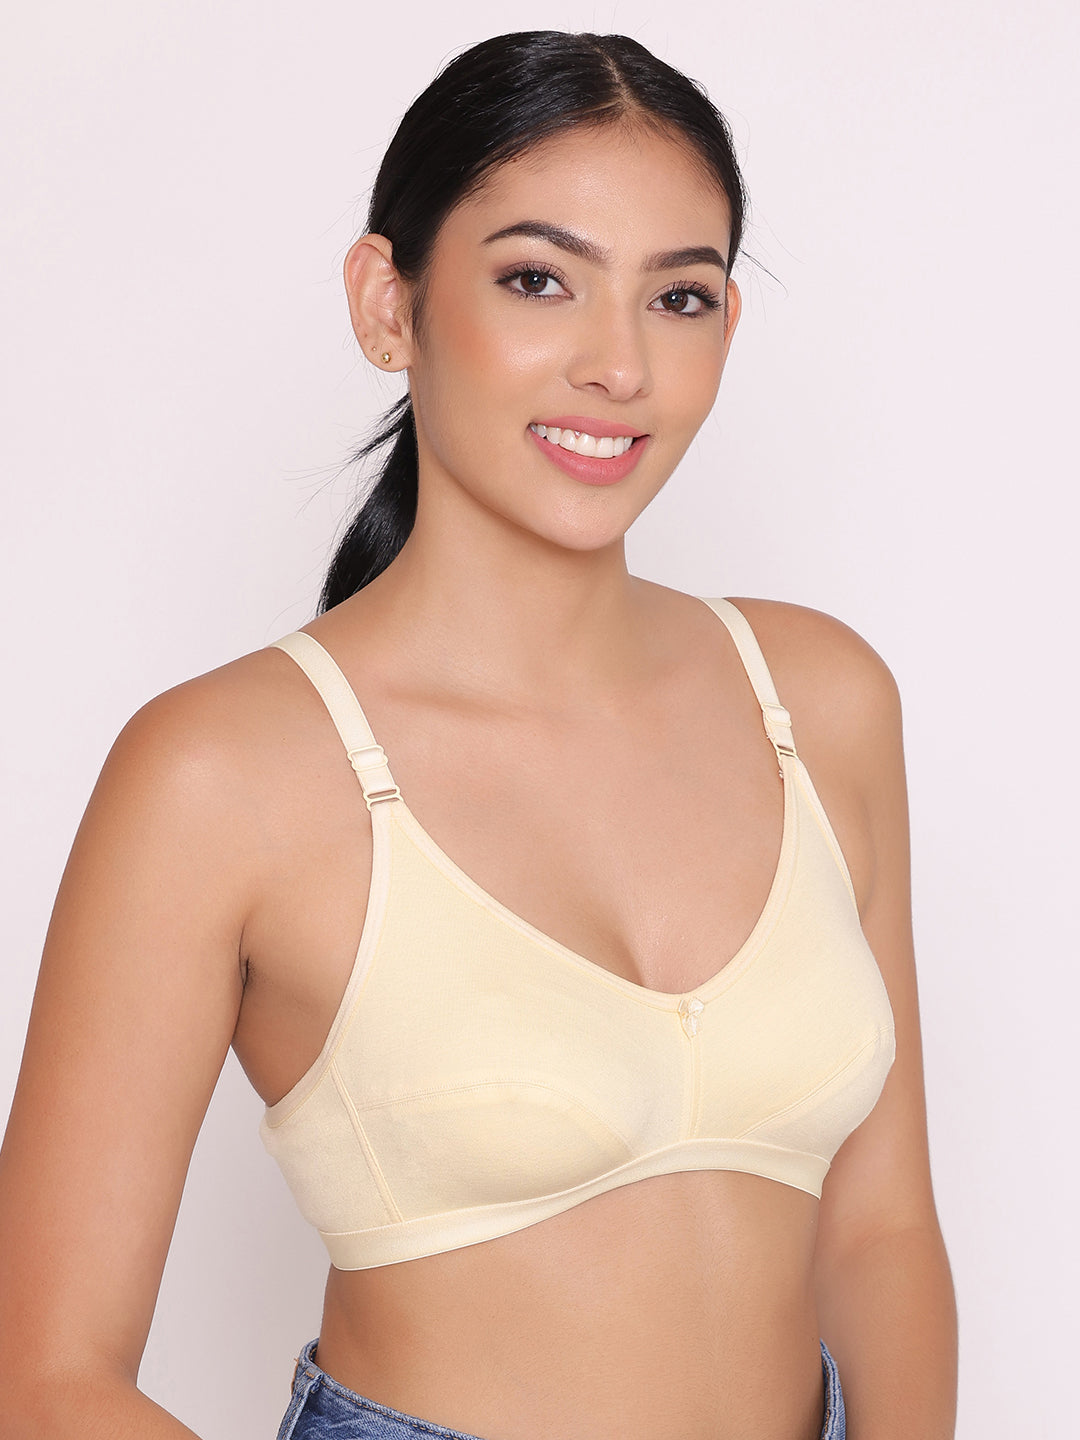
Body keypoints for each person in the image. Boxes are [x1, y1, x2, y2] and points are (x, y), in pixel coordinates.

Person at [0, 29, 957, 1440]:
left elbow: (881, 1230)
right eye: (538, 280)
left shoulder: (819, 699)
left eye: (678, 297)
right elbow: (45, 1374)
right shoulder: (222, 776)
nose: (618, 365)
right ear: (387, 305)